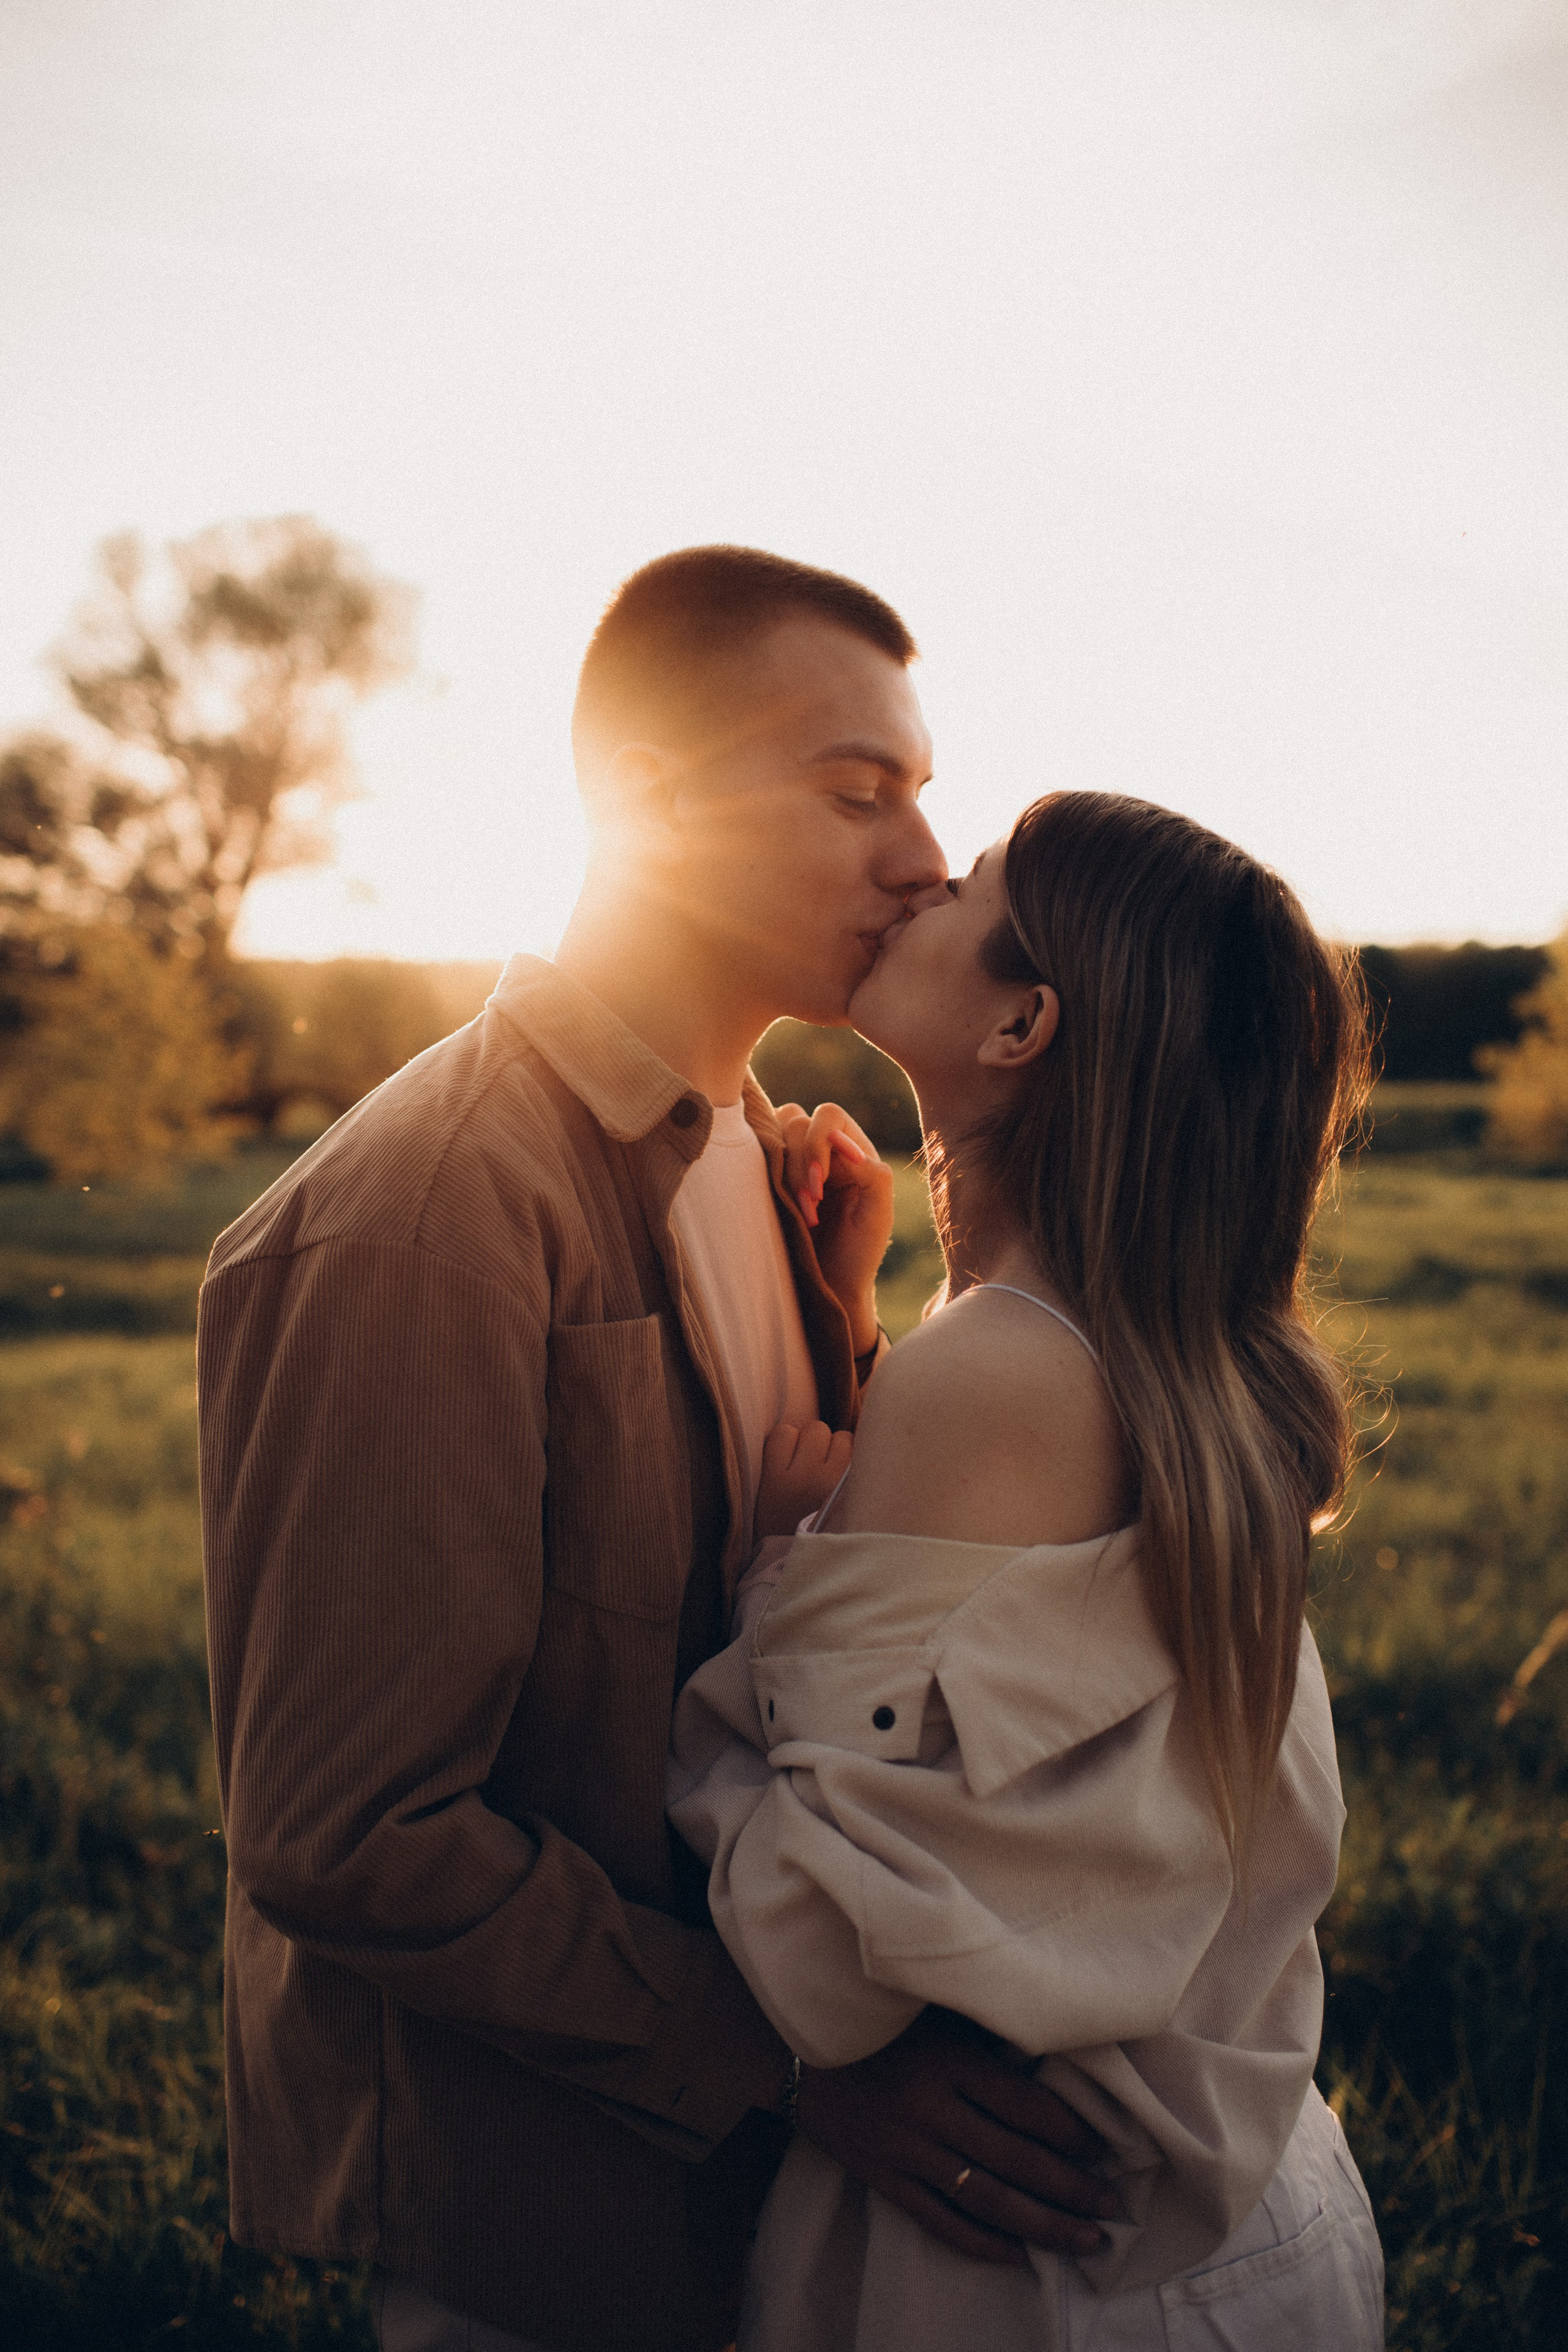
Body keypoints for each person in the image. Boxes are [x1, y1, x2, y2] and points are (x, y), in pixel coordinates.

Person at [197, 548, 1121, 2352]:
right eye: (856, 791)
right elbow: (349, 1834)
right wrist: (794, 2058)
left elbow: (764, 1618)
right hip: (541, 2229)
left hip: (760, 2209)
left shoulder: (769, 1166)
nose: (922, 860)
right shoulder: (428, 1213)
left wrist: (852, 1326)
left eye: (923, 796)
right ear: (639, 796)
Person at [668, 791, 1387, 2349]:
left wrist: (775, 1569)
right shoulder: (1160, 1354)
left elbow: (837, 1950)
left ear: (1021, 1024)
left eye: (970, 879)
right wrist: (858, 1338)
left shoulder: (998, 1374)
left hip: (1030, 2261)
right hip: (1241, 2218)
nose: (922, 872)